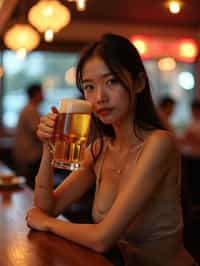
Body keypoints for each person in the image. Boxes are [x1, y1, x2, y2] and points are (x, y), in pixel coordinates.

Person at [26, 34, 196, 266]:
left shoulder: (159, 143)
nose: (100, 98)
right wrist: (48, 146)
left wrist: (47, 223)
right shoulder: (100, 149)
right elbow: (48, 206)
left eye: (112, 81)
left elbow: (102, 239)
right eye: (89, 87)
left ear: (138, 83)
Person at [14, 83, 44, 188]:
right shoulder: (30, 110)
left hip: (28, 154)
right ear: (36, 94)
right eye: (41, 92)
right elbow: (38, 133)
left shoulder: (30, 109)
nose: (44, 94)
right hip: (29, 155)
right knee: (30, 184)